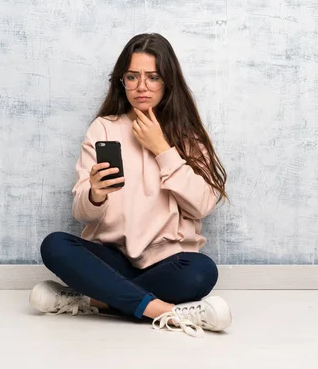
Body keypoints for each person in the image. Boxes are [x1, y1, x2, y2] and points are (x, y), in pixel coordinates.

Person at [29, 33, 232, 337]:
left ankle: (95, 299)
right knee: (55, 245)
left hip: (168, 262)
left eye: (153, 77)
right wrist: (95, 195)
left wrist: (162, 149)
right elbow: (82, 213)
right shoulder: (105, 127)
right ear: (121, 81)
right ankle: (167, 313)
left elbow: (203, 205)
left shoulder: (188, 135)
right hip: (113, 260)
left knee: (202, 271)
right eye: (132, 77)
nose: (141, 87)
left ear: (168, 82)